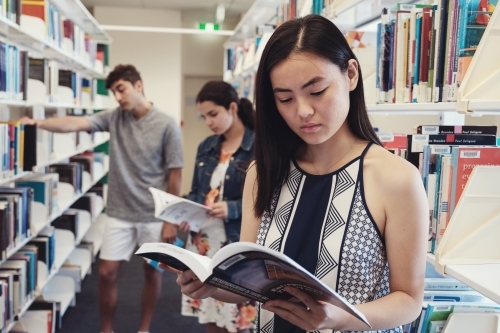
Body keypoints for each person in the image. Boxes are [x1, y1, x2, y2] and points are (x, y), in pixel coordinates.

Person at [170, 15, 428, 333]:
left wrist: (342, 319)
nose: (302, 111)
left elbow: (409, 300)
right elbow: (246, 283)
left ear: (350, 74)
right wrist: (209, 284)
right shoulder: (264, 173)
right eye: (286, 99)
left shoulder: (397, 178)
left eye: (316, 91)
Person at [21, 64, 184, 333]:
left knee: (152, 272)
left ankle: (144, 329)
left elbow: (175, 174)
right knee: (107, 273)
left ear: (138, 85)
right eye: (114, 92)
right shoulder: (114, 117)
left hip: (153, 214)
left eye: (122, 89)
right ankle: (106, 329)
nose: (118, 97)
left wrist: (170, 220)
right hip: (119, 212)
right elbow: (76, 123)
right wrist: (38, 123)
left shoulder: (167, 124)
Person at [180, 81, 257, 333]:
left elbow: (269, 201)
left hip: (234, 241)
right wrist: (185, 211)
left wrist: (232, 208)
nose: (209, 122)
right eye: (204, 116)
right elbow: (194, 190)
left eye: (213, 114)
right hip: (204, 241)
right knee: (210, 314)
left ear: (232, 107)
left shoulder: (258, 147)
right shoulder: (207, 146)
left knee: (237, 320)